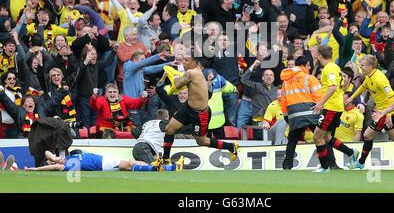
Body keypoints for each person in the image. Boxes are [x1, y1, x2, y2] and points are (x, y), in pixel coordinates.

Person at [159, 56, 238, 165]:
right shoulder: (195, 72)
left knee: (202, 141)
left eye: (187, 60)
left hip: (200, 114)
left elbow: (177, 85)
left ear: (194, 63)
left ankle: (231, 146)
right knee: (169, 129)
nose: (183, 63)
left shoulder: (191, 73)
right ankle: (165, 159)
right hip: (188, 108)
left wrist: (175, 75)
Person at [345, 55, 394, 169]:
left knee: (367, 135)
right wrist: (352, 97)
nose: (361, 67)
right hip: (381, 112)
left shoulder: (380, 79)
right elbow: (363, 86)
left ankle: (360, 163)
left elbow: (392, 97)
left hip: (383, 113)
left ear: (370, 66)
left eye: (363, 65)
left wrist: (388, 115)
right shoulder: (369, 76)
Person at [311, 45, 359, 173]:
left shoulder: (329, 68)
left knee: (317, 137)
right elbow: (341, 86)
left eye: (316, 53)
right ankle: (351, 152)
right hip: (335, 106)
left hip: (331, 108)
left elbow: (332, 87)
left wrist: (321, 103)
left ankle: (324, 167)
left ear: (320, 55)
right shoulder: (335, 67)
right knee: (326, 138)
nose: (315, 55)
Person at [280, 56, 322, 170]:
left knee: (292, 140)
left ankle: (287, 165)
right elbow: (319, 97)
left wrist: (285, 115)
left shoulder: (286, 81)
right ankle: (328, 163)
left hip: (294, 114)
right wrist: (321, 112)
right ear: (303, 66)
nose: (309, 68)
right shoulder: (310, 78)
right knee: (320, 137)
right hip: (311, 112)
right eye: (308, 65)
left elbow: (283, 100)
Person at [25, 150, 183, 172]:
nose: (52, 162)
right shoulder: (66, 167)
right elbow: (53, 167)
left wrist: (53, 157)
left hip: (103, 159)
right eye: (50, 162)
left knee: (132, 162)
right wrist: (37, 169)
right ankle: (160, 168)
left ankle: (170, 167)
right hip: (102, 164)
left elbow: (47, 152)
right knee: (128, 165)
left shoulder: (68, 157)